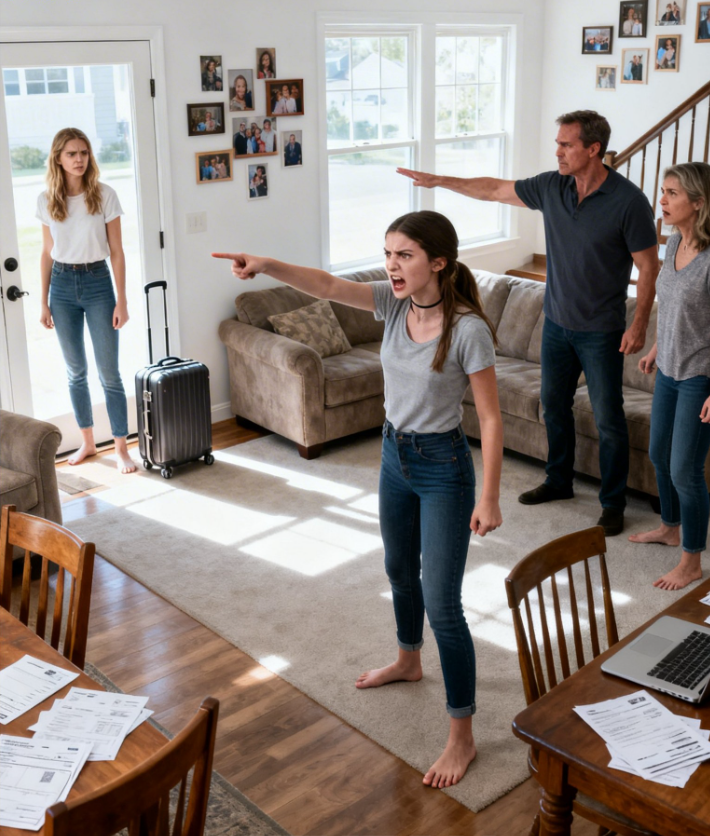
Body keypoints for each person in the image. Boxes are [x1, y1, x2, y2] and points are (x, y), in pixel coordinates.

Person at [212, 209, 504, 790]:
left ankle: (462, 736)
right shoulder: (392, 303)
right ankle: (408, 659)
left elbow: (492, 420)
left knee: (444, 603)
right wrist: (265, 263)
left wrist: (490, 496)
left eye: (405, 255)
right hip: (395, 455)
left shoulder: (467, 329)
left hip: (444, 468)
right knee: (398, 570)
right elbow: (324, 284)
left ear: (438, 262)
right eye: (388, 253)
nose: (392, 265)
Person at [397, 111, 659, 536]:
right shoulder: (552, 186)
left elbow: (648, 266)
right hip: (555, 322)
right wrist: (440, 181)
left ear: (593, 149)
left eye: (566, 145)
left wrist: (640, 323)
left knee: (608, 419)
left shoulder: (629, 201)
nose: (558, 152)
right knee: (553, 406)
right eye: (558, 143)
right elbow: (494, 189)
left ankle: (613, 503)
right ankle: (559, 480)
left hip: (602, 330)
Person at [628, 163, 710, 591]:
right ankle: (670, 527)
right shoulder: (674, 240)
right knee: (659, 454)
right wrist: (658, 347)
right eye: (663, 190)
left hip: (700, 375)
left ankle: (692, 561)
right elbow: (674, 305)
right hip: (670, 369)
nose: (662, 199)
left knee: (685, 471)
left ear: (698, 202)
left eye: (672, 193)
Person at [37, 128, 136, 474]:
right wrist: (43, 301)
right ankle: (88, 442)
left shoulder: (105, 195)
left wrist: (122, 301)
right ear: (58, 159)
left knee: (109, 373)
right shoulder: (47, 199)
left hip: (98, 284)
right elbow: (46, 253)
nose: (79, 159)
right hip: (62, 287)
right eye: (71, 154)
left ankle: (121, 448)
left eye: (84, 152)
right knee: (76, 372)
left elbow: (117, 252)